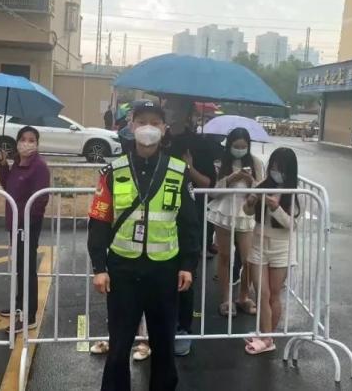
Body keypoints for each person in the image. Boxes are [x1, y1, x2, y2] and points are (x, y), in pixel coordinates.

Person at [88, 100, 200, 391]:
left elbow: (189, 223)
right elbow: (99, 221)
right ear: (131, 126)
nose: (147, 128)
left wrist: (188, 265)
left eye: (154, 122)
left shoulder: (178, 171)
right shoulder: (113, 171)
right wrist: (99, 267)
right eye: (141, 122)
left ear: (164, 129)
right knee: (118, 346)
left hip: (165, 271)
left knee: (163, 346)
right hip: (123, 271)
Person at [163, 98, 216, 357]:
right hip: (158, 220)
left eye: (174, 107)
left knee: (184, 274)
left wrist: (189, 167)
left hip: (188, 216)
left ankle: (182, 329)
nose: (170, 111)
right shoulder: (158, 141)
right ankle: (155, 329)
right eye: (167, 106)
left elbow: (208, 183)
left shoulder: (200, 144)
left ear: (188, 113)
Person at [243, 147, 300, 355]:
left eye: (281, 168)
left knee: (274, 294)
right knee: (262, 293)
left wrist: (276, 208)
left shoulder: (295, 192)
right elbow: (247, 211)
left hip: (281, 247)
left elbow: (293, 224)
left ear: (289, 170)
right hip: (258, 242)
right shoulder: (262, 186)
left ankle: (267, 337)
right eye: (274, 167)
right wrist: (250, 203)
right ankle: (265, 336)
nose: (276, 172)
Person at [0, 126, 50, 333]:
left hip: (28, 224)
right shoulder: (18, 163)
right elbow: (8, 185)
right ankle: (19, 305)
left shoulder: (39, 167)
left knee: (27, 267)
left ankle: (29, 316)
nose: (26, 143)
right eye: (23, 139)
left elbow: (41, 198)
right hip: (16, 222)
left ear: (37, 144)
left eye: (31, 140)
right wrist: (3, 164)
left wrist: (26, 221)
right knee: (20, 265)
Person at [206, 128, 264, 317]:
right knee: (224, 256)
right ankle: (226, 299)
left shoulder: (256, 162)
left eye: (243, 146)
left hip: (246, 212)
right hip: (224, 211)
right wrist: (230, 179)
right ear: (229, 145)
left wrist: (250, 180)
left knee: (248, 258)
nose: (239, 149)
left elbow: (262, 188)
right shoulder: (220, 162)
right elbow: (213, 192)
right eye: (236, 146)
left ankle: (244, 296)